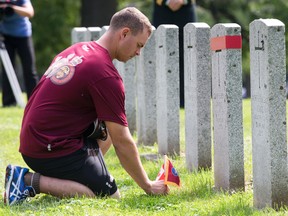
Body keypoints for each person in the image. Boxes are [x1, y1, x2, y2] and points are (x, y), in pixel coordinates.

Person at [3, 7, 169, 206]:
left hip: (35, 139)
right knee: (106, 196)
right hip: (48, 146)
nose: (139, 53)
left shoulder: (77, 49)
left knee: (107, 126)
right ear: (124, 33)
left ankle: (81, 174)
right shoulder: (105, 73)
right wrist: (147, 185)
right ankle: (26, 180)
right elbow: (122, 140)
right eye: (139, 45)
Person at [153, 0, 197, 108]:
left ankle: (185, 99)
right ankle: (164, 98)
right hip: (162, 12)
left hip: (186, 12)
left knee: (188, 60)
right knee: (163, 60)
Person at [0, 0, 38, 107]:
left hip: (23, 35)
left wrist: (12, 8)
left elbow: (30, 13)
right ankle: (8, 102)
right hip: (5, 36)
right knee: (7, 69)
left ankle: (33, 101)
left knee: (30, 69)